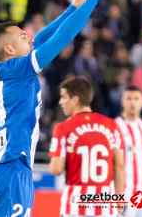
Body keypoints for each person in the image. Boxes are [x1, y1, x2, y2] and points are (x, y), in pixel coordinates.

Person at [0, 0, 117, 216]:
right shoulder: (21, 69)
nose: (29, 37)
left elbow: (41, 37)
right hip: (13, 170)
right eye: (22, 36)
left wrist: (72, 8)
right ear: (10, 50)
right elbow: (61, 38)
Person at [48, 77, 124, 216]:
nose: (60, 102)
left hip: (75, 207)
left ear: (75, 99)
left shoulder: (63, 128)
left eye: (64, 97)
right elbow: (119, 166)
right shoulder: (112, 125)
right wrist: (118, 203)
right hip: (105, 207)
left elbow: (55, 169)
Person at [115, 86, 142, 216]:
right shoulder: (115, 126)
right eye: (128, 98)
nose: (132, 102)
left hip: (141, 193)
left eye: (136, 99)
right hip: (124, 194)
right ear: (122, 101)